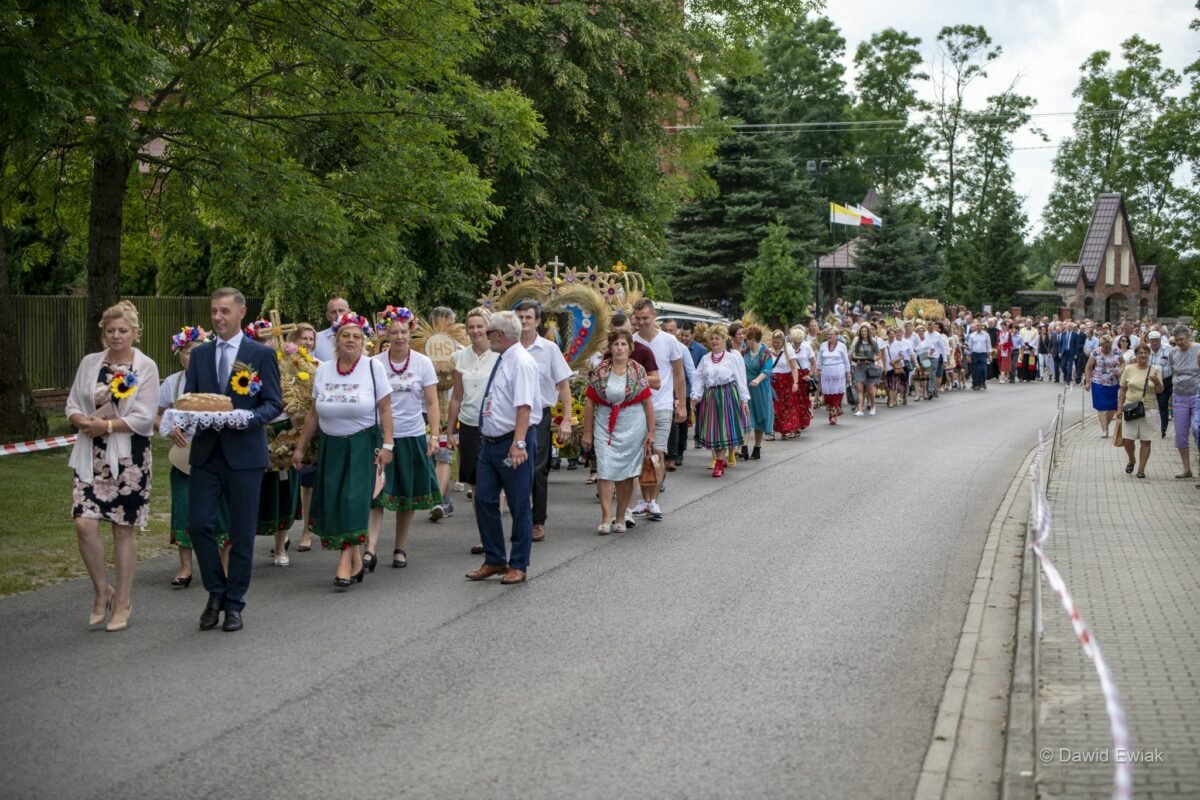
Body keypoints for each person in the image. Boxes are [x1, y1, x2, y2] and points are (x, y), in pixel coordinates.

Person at [173, 288, 281, 633]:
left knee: (242, 533)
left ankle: (235, 602)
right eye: (213, 311)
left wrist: (247, 418)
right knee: (199, 524)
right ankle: (215, 591)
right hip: (206, 454)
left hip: (245, 455)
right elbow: (191, 398)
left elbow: (273, 403)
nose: (217, 317)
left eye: (224, 311)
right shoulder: (201, 355)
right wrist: (178, 421)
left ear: (241, 313)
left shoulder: (260, 354)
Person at [66, 301, 160, 632]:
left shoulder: (145, 366)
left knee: (122, 528)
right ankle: (100, 591)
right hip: (90, 454)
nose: (116, 336)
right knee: (84, 524)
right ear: (103, 333)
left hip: (128, 457)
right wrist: (81, 420)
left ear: (134, 333)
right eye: (110, 331)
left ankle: (123, 600)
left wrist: (105, 426)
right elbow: (73, 403)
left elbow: (145, 416)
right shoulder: (90, 363)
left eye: (123, 330)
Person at [292, 312, 392, 589]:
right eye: (345, 336)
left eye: (356, 336)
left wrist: (388, 445)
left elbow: (385, 409)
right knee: (337, 503)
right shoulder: (323, 369)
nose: (351, 340)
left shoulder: (373, 368)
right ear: (336, 340)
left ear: (364, 341)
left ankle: (344, 565)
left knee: (352, 503)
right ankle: (357, 562)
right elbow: (313, 414)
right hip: (331, 446)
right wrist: (300, 447)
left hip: (362, 445)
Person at [466, 311, 540, 585]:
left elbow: (524, 405)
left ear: (499, 335)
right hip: (491, 443)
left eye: (487, 332)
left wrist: (519, 443)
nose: (484, 337)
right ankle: (495, 558)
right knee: (483, 499)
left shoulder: (520, 361)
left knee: (520, 503)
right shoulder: (503, 358)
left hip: (513, 443)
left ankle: (518, 564)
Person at [366, 307, 442, 572]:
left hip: (411, 435)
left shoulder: (423, 362)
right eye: (394, 331)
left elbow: (432, 403)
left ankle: (399, 548)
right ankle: (370, 549)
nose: (399, 336)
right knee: (377, 494)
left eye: (403, 331)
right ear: (386, 333)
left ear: (411, 332)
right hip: (382, 436)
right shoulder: (375, 363)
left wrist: (434, 436)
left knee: (405, 496)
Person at [157, 325, 230, 587]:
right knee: (184, 506)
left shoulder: (221, 378)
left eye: (199, 351)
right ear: (180, 354)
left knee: (220, 509)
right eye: (188, 351)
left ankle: (224, 566)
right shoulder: (172, 382)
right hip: (184, 454)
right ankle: (186, 567)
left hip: (216, 452)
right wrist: (168, 428)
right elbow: (157, 414)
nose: (193, 356)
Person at [582, 329, 654, 534]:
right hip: (605, 425)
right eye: (616, 344)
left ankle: (621, 516)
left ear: (630, 347)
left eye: (624, 344)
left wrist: (651, 432)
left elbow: (648, 402)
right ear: (610, 348)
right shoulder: (601, 370)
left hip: (633, 425)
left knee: (627, 473)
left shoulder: (638, 370)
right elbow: (590, 401)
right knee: (604, 469)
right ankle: (606, 516)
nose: (620, 348)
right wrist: (587, 431)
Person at [514, 300, 573, 543]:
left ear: (538, 321)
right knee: (514, 468)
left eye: (528, 317)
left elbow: (564, 384)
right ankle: (520, 519)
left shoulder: (549, 349)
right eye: (520, 317)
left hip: (539, 415)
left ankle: (538, 521)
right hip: (513, 417)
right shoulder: (509, 349)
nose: (524, 321)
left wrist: (567, 419)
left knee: (537, 469)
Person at [447, 309, 499, 555]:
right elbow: (456, 396)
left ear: (488, 328)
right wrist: (450, 429)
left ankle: (496, 535)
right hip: (469, 425)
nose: (476, 331)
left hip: (495, 425)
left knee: (495, 483)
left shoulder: (499, 355)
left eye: (480, 326)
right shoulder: (461, 357)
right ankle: (485, 536)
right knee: (478, 485)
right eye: (471, 327)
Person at [632, 298, 686, 520]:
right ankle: (644, 500)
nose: (642, 322)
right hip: (637, 406)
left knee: (658, 453)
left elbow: (678, 373)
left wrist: (681, 404)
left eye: (646, 318)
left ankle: (654, 501)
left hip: (662, 405)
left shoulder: (669, 340)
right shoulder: (631, 342)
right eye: (638, 319)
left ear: (654, 317)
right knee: (642, 455)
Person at [690, 325, 750, 477]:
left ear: (724, 339)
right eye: (712, 338)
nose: (714, 341)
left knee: (723, 429)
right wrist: (695, 396)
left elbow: (740, 378)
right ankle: (719, 459)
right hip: (710, 396)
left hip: (727, 395)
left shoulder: (732, 357)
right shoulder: (705, 358)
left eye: (717, 338)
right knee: (713, 430)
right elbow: (699, 378)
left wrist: (744, 399)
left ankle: (719, 462)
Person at [287, 323, 321, 552]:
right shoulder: (283, 364)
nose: (308, 342)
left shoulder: (319, 366)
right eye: (304, 338)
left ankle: (306, 530)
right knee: (286, 484)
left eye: (311, 339)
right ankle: (282, 531)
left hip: (310, 429)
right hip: (286, 428)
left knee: (308, 484)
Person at [426, 306, 461, 523]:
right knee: (433, 455)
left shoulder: (460, 348)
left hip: (451, 409)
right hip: (427, 409)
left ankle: (439, 500)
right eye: (451, 322)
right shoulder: (423, 348)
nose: (454, 326)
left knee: (444, 453)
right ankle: (445, 499)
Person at [1117, 343, 1164, 478]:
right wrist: (1119, 408)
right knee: (1127, 439)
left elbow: (1160, 391)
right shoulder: (1129, 369)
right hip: (1131, 409)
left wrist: (1156, 382)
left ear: (1149, 355)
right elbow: (1123, 389)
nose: (1143, 355)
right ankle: (1132, 459)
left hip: (1149, 409)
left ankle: (1141, 470)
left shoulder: (1155, 370)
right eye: (1140, 353)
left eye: (1146, 353)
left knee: (1145, 440)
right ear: (1136, 355)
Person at [1167, 327, 1200, 479]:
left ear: (1188, 337)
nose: (1179, 343)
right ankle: (1186, 468)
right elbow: (1170, 372)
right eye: (1176, 340)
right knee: (1180, 435)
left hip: (1197, 395)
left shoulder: (1198, 349)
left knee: (1196, 428)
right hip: (1179, 396)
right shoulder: (1173, 352)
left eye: (1182, 339)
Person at [740, 326, 773, 459]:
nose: (744, 341)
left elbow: (766, 370)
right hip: (746, 389)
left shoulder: (765, 353)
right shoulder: (744, 352)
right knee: (746, 417)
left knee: (759, 418)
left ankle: (757, 447)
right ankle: (744, 447)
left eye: (746, 339)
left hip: (760, 390)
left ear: (753, 340)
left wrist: (757, 380)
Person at [1083, 336, 1123, 437]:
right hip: (1098, 382)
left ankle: (1106, 425)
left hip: (1113, 382)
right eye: (1105, 347)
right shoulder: (1095, 352)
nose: (1107, 349)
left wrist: (1121, 370)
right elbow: (1088, 368)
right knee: (1101, 407)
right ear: (1101, 345)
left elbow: (1123, 363)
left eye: (1109, 347)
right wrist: (1087, 382)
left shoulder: (1116, 351)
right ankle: (1104, 430)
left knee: (1111, 407)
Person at [815, 327, 852, 425]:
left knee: (837, 392)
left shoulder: (842, 346)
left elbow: (846, 360)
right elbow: (819, 359)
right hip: (826, 372)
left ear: (836, 336)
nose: (829, 336)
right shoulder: (823, 345)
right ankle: (833, 410)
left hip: (838, 371)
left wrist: (848, 373)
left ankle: (833, 414)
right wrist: (818, 370)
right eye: (827, 334)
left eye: (831, 334)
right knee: (827, 394)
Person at [768, 330, 801, 436]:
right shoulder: (768, 351)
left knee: (786, 406)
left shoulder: (789, 351)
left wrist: (795, 382)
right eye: (774, 342)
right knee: (772, 406)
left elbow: (794, 367)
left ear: (782, 342)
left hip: (785, 382)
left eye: (778, 342)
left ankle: (786, 429)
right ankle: (771, 431)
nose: (775, 344)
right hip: (772, 382)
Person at [1146, 331, 1172, 440]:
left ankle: (1163, 429)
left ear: (1160, 340)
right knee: (1149, 405)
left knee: (1162, 405)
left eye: (1157, 340)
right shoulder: (1145, 349)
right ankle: (1148, 428)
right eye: (1152, 341)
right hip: (1149, 381)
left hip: (1165, 380)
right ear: (1149, 341)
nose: (1154, 343)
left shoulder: (1168, 349)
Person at [850, 323, 881, 416]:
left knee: (870, 391)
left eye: (865, 331)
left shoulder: (873, 342)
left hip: (870, 367)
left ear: (868, 332)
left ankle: (872, 406)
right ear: (860, 333)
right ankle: (860, 409)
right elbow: (854, 355)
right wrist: (857, 360)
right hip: (859, 367)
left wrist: (872, 360)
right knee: (859, 388)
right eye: (862, 331)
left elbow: (879, 355)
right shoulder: (857, 343)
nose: (864, 333)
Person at [788, 327, 815, 432]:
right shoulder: (788, 347)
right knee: (793, 400)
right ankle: (795, 422)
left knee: (803, 401)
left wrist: (810, 374)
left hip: (804, 376)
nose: (797, 345)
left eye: (799, 342)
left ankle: (801, 421)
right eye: (795, 342)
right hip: (792, 375)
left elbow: (813, 362)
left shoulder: (807, 347)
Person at [312, 295, 350, 362]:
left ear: (349, 312)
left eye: (341, 310)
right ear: (327, 316)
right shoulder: (316, 339)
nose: (338, 315)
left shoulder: (361, 337)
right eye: (333, 312)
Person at [966, 322, 992, 390]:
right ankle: (976, 384)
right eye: (976, 326)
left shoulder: (986, 335)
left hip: (983, 354)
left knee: (983, 369)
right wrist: (968, 355)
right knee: (975, 370)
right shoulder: (972, 335)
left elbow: (989, 346)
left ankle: (982, 382)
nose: (978, 327)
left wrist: (989, 355)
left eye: (979, 326)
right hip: (974, 354)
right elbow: (969, 346)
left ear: (981, 326)